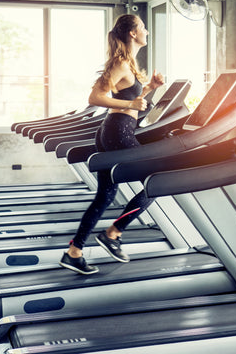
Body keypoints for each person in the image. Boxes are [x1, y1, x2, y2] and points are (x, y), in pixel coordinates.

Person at [59, 14, 164, 275]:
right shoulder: (120, 64)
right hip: (119, 131)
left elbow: (129, 95)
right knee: (157, 181)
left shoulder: (128, 64)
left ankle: (74, 252)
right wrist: (131, 104)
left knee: (105, 195)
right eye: (143, 27)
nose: (147, 31)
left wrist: (149, 87)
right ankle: (113, 233)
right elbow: (95, 96)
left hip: (115, 129)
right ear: (132, 33)